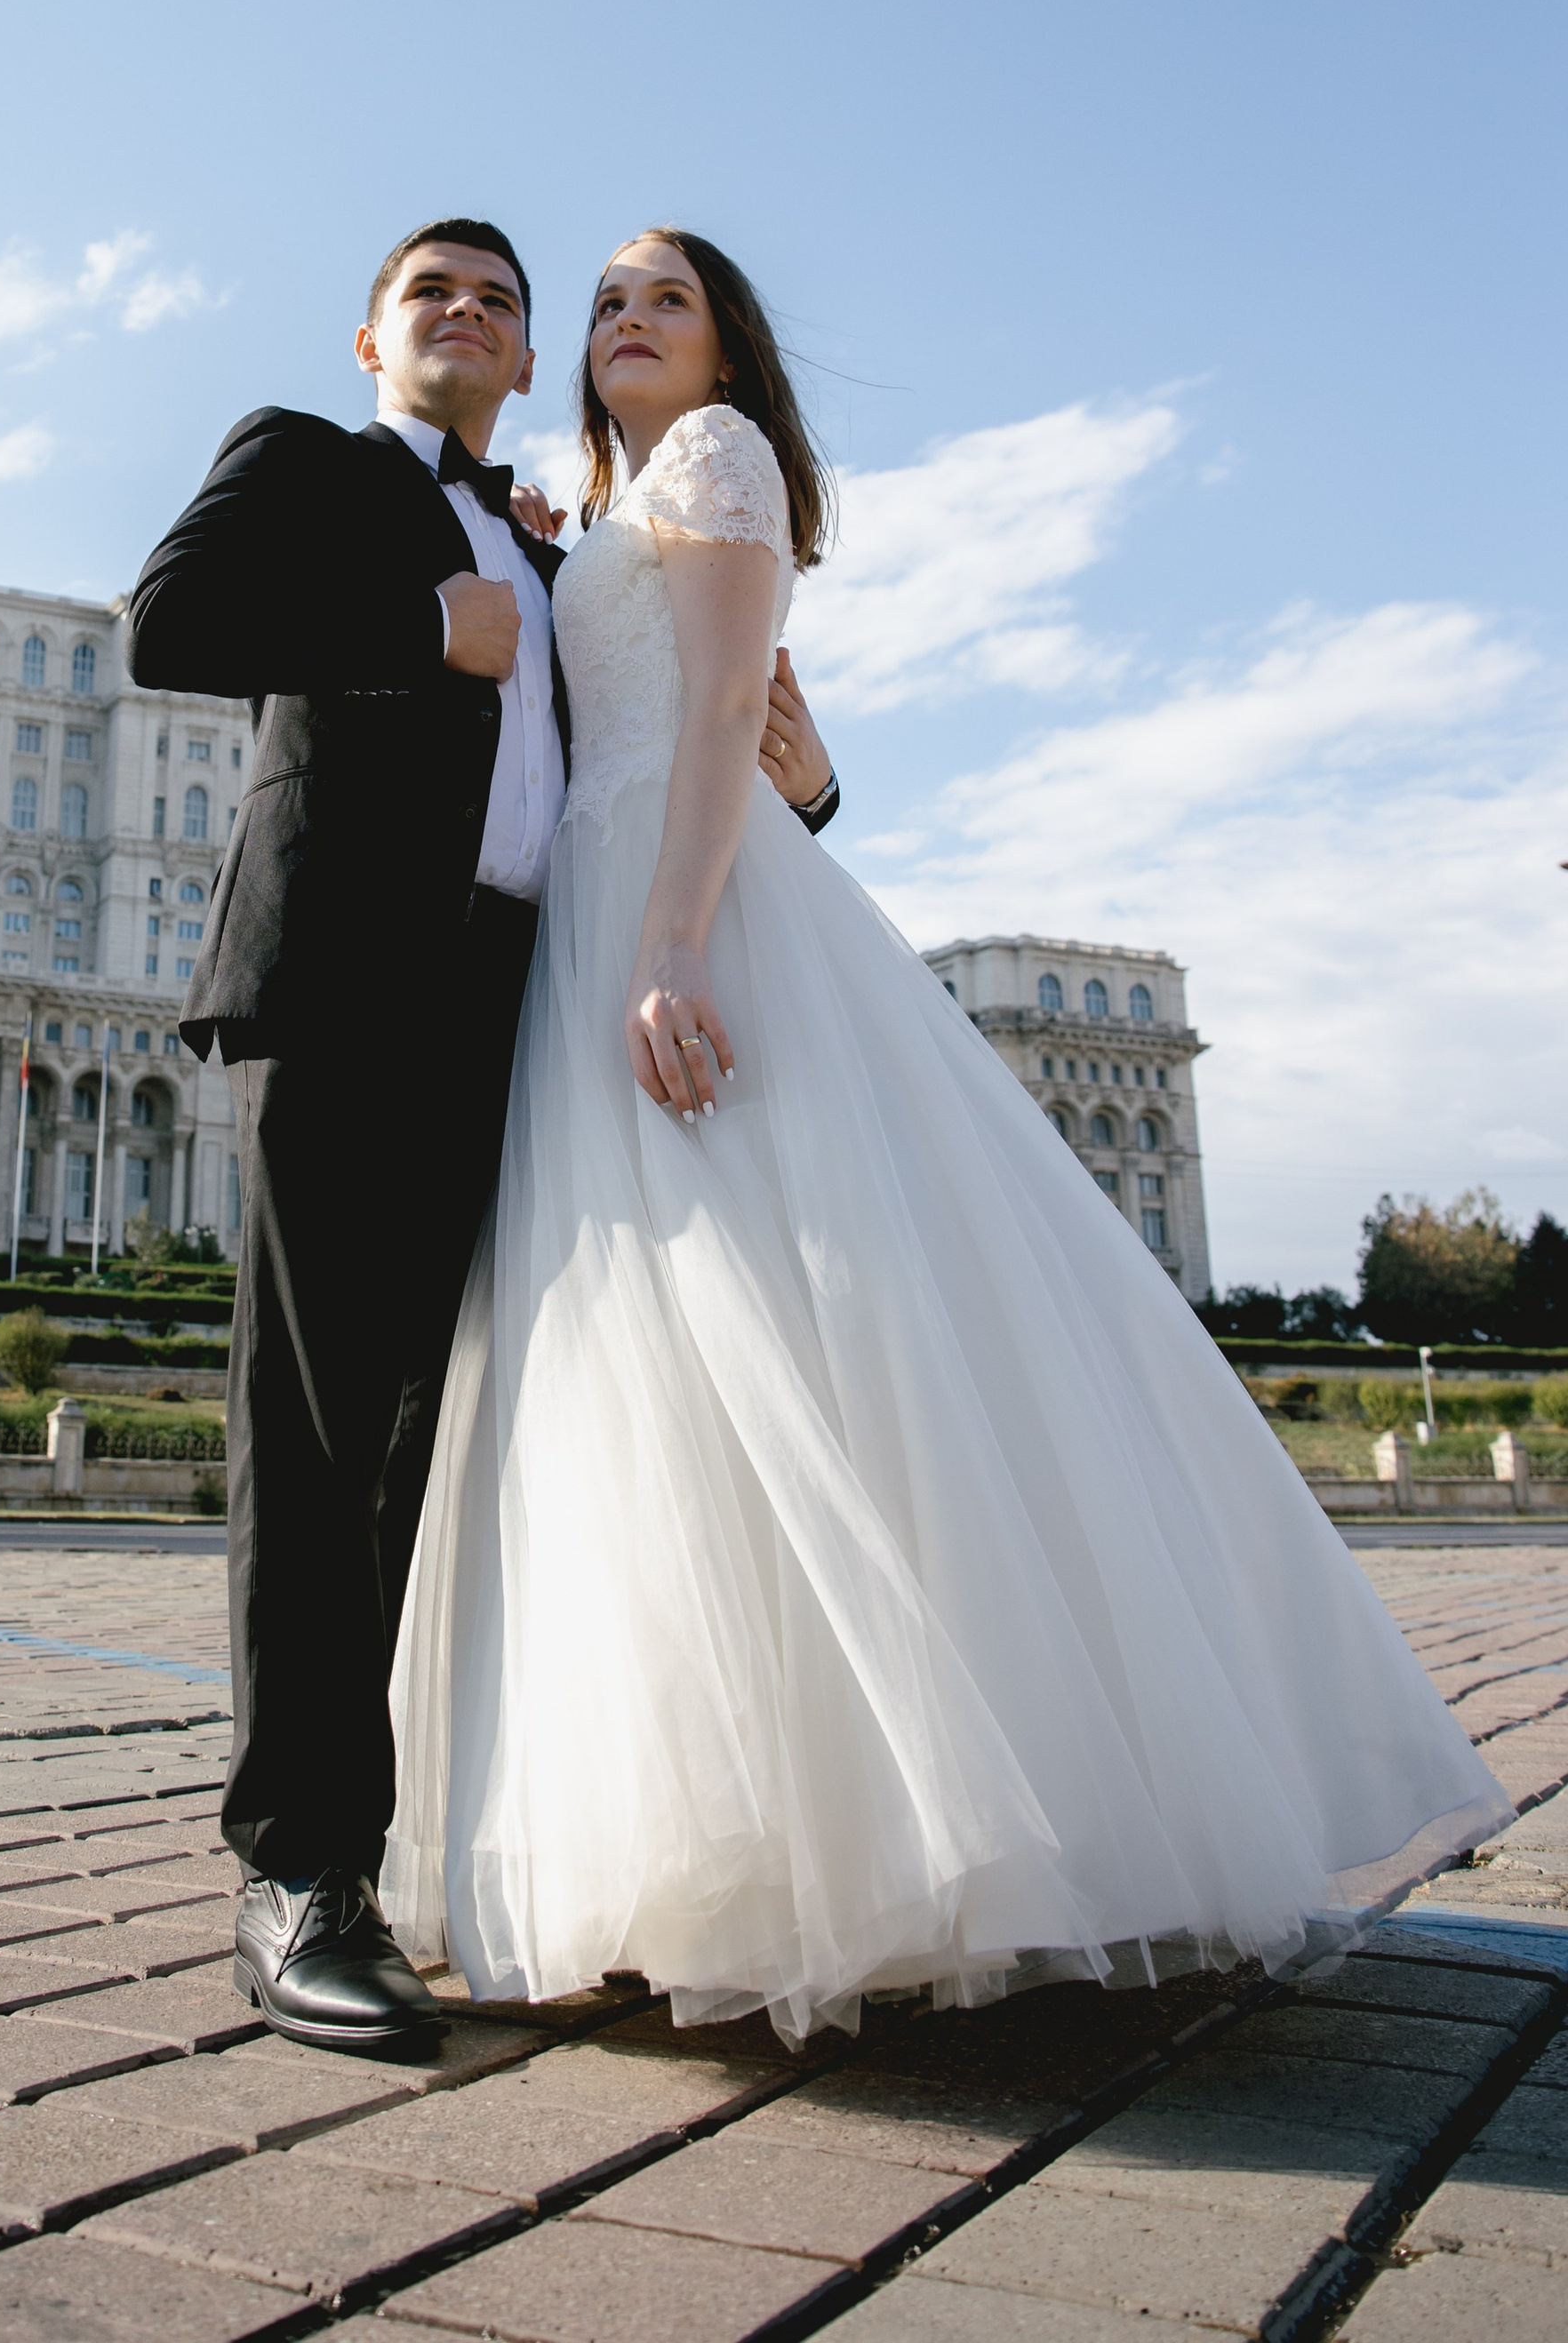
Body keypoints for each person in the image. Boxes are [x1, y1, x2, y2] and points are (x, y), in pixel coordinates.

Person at [385, 228, 1512, 2046]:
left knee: (770, 1345)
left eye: (657, 297)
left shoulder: (718, 462)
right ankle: (689, 1839)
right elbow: (728, 728)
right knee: (644, 1374)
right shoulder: (610, 501)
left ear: (726, 343)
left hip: (672, 919)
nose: (618, 320)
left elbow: (714, 740)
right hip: (599, 917)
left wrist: (672, 938)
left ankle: (880, 1838)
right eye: (600, 302)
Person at [124, 220, 838, 2051]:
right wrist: (410, 627)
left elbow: (679, 749)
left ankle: (452, 1840)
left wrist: (809, 783)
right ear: (370, 331)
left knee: (444, 1451)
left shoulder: (548, 534)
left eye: (498, 301)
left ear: (523, 369)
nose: (468, 312)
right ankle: (292, 1875)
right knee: (311, 1424)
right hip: (346, 993)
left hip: (513, 1006)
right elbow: (168, 624)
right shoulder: (301, 458)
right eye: (433, 289)